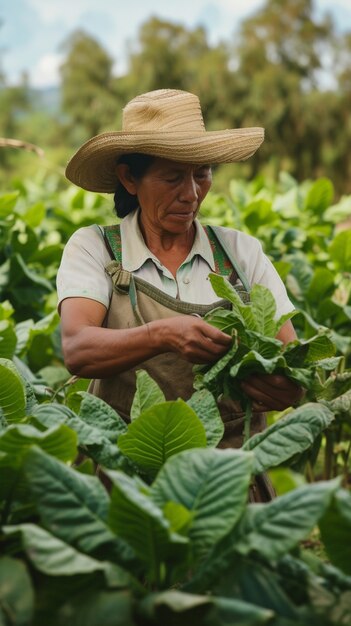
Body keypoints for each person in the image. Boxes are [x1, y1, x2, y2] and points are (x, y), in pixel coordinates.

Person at [58, 89, 303, 499]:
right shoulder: (95, 248)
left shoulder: (241, 254)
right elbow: (79, 349)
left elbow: (291, 368)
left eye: (201, 173)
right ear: (129, 178)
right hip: (127, 479)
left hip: (226, 482)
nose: (191, 194)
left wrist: (282, 388)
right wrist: (164, 335)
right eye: (173, 178)